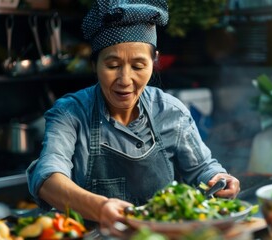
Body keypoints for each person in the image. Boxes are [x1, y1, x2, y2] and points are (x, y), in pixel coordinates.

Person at [27, 0, 240, 235]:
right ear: (94, 63)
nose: (125, 79)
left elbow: (202, 168)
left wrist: (219, 178)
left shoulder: (171, 111)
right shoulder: (70, 113)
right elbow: (47, 178)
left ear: (154, 61)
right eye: (112, 65)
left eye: (138, 66)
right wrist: (101, 208)